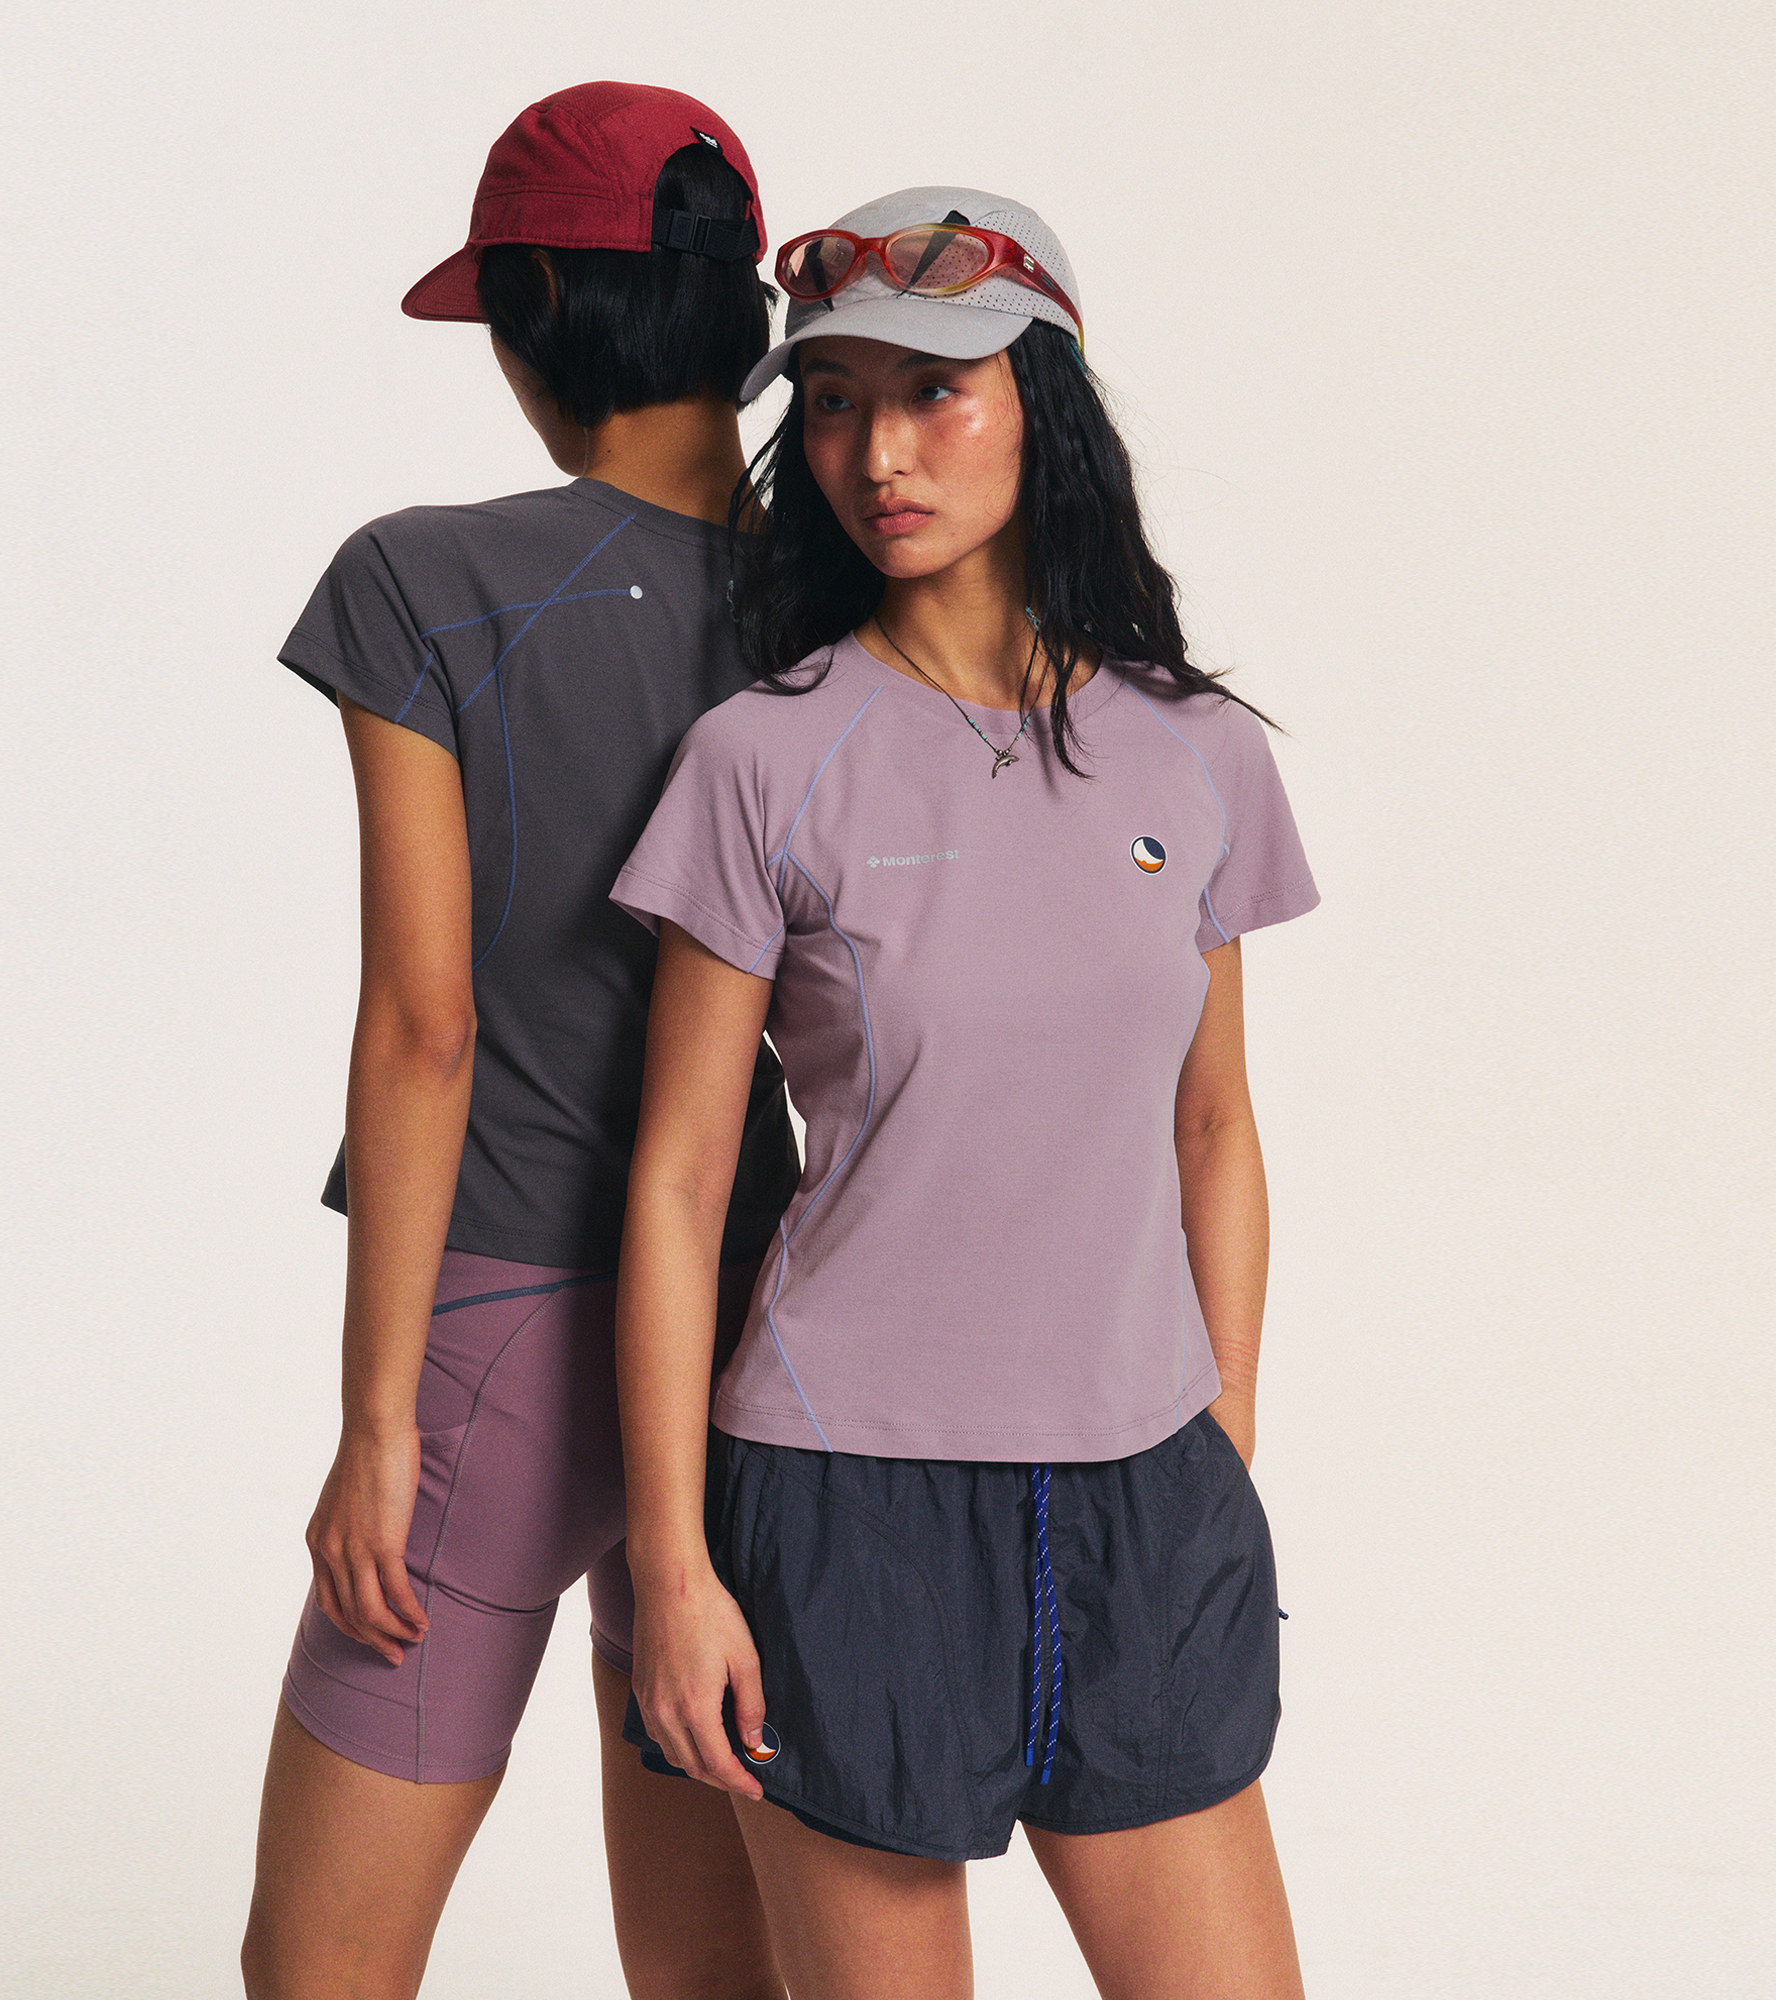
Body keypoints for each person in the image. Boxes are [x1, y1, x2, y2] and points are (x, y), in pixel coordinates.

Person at [612, 186, 1320, 1998]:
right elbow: (679, 1181)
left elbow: (1215, 1124)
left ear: (1042, 403)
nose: (877, 453)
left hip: (1144, 1492)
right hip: (844, 1505)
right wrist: (676, 1571)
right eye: (834, 402)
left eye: (935, 392)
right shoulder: (764, 755)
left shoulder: (1200, 752)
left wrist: (1223, 1437)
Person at [240, 84, 798, 2000]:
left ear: (540, 306)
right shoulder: (841, 602)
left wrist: (377, 1426)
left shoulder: (425, 580)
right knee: (711, 1973)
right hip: (756, 1326)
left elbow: (426, 1026)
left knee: (320, 1972)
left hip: (501, 1342)